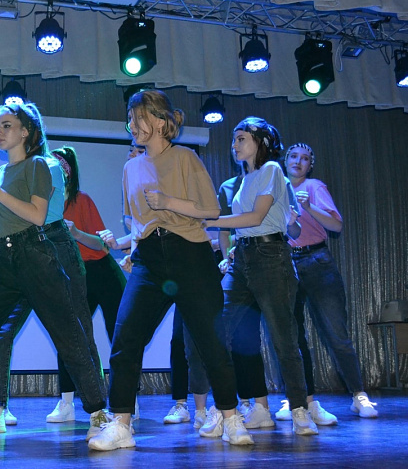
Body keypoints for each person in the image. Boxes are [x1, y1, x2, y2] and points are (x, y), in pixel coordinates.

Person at [0, 102, 107, 447]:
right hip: (2, 262)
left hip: (36, 255)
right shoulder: (0, 174)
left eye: (7, 125)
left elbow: (37, 216)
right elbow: (2, 224)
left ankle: (99, 414)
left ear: (26, 131)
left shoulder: (39, 164)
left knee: (70, 336)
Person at [88, 90, 253, 451]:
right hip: (149, 259)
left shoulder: (185, 158)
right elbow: (135, 221)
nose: (132, 125)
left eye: (139, 117)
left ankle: (230, 417)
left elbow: (210, 211)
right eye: (130, 119)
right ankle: (121, 424)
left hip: (190, 255)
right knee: (126, 338)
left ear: (161, 121)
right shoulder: (131, 167)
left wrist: (168, 202)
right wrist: (130, 247)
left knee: (211, 342)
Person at [207, 116, 318, 437]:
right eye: (234, 139)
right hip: (242, 257)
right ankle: (225, 409)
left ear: (261, 142)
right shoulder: (244, 180)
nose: (234, 144)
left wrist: (207, 218)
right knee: (218, 328)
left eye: (241, 138)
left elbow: (256, 217)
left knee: (284, 338)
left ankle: (299, 409)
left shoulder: (271, 170)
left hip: (271, 257)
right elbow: (246, 223)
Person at [275, 142, 378, 422]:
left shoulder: (314, 187)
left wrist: (308, 207)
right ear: (285, 160)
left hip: (317, 261)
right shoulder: (276, 187)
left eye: (304, 158)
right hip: (285, 262)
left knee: (337, 334)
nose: (298, 161)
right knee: (291, 337)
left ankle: (358, 395)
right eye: (293, 156)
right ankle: (297, 398)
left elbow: (336, 225)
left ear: (310, 165)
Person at [41, 145, 126, 423]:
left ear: (68, 171)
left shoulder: (83, 200)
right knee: (69, 335)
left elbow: (102, 244)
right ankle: (66, 403)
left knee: (121, 337)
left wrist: (76, 232)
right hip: (73, 274)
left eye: (59, 166)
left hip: (102, 271)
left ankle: (128, 402)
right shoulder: (44, 204)